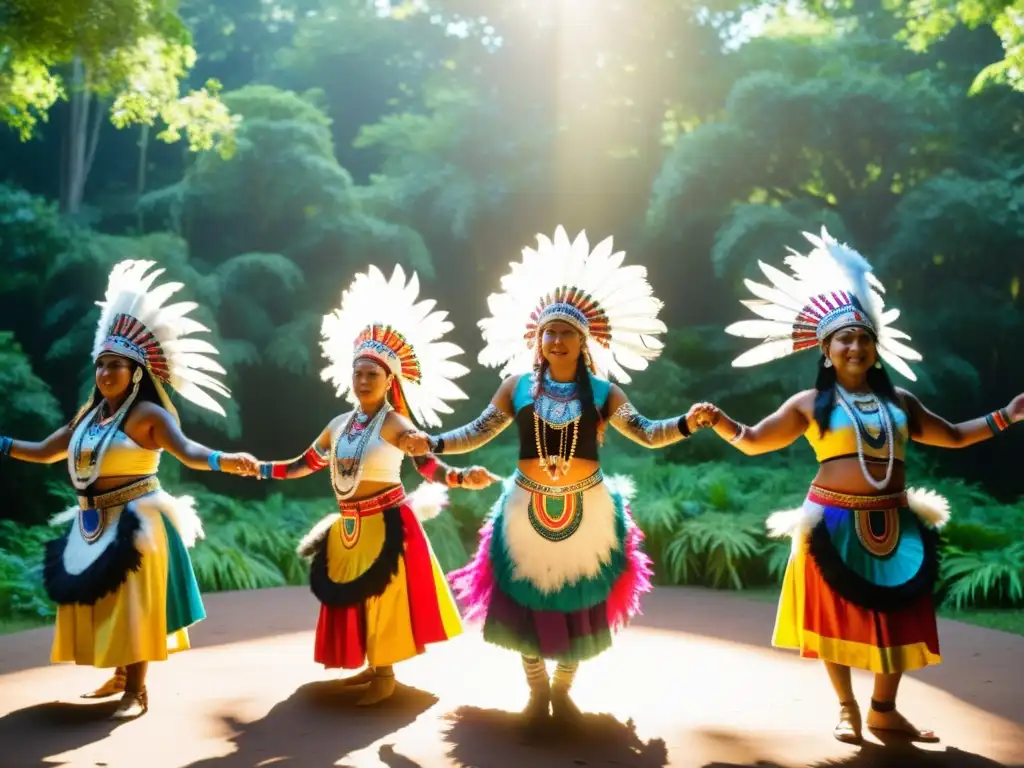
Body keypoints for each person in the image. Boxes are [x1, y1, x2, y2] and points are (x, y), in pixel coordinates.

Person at [693, 227, 1023, 743]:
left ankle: (883, 709)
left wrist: (1007, 414)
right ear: (827, 351)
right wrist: (720, 422)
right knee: (836, 617)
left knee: (902, 615)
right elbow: (756, 440)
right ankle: (846, 708)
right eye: (844, 339)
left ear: (875, 349)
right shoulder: (807, 403)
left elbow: (955, 436)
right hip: (832, 520)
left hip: (894, 520)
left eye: (864, 338)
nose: (855, 345)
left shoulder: (902, 403)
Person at [403, 227, 708, 727]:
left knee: (579, 601)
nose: (556, 339)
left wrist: (687, 423)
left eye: (566, 332)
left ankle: (563, 691)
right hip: (525, 506)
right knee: (526, 602)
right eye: (548, 332)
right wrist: (431, 442)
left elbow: (648, 434)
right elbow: (475, 433)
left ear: (584, 339)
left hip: (588, 510)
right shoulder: (516, 386)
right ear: (537, 340)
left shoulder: (605, 391)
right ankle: (536, 692)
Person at [0, 260, 258, 720]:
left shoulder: (149, 417)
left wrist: (225, 460)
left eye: (115, 366)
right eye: (100, 366)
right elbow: (43, 451)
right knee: (104, 601)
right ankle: (120, 675)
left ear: (136, 371)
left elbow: (188, 450)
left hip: (138, 520)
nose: (105, 374)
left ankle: (136, 691)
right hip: (91, 521)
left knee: (131, 605)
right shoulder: (88, 417)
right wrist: (2, 444)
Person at [250, 264, 499, 706]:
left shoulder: (395, 422)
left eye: (373, 375)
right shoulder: (338, 424)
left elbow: (426, 466)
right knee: (355, 598)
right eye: (358, 373)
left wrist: (461, 477)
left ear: (389, 380)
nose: (363, 381)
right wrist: (260, 469)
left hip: (388, 523)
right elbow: (304, 464)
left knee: (382, 597)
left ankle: (385, 675)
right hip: (349, 526)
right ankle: (371, 666)